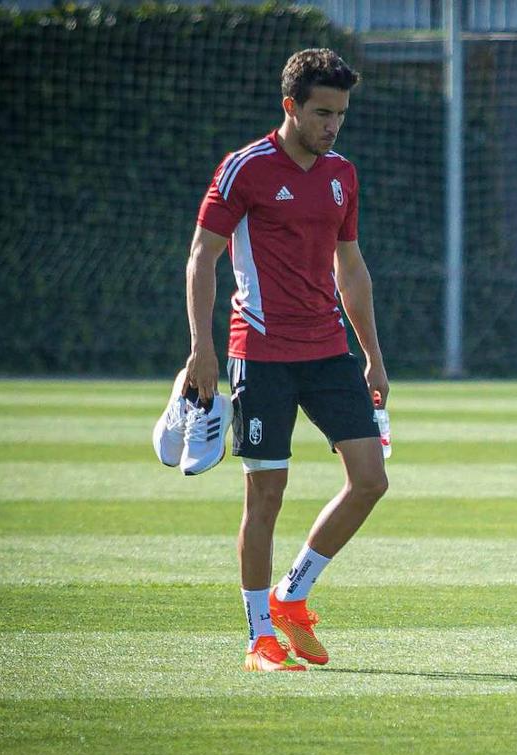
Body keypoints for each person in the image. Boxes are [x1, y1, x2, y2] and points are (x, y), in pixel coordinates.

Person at [183, 48, 389, 672]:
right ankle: (259, 638)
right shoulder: (244, 168)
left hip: (329, 352)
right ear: (290, 107)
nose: (332, 125)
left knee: (371, 479)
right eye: (322, 112)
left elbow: (349, 268)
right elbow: (202, 257)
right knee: (265, 496)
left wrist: (373, 357)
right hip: (261, 355)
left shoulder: (342, 175)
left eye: (341, 115)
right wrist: (202, 348)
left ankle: (291, 596)